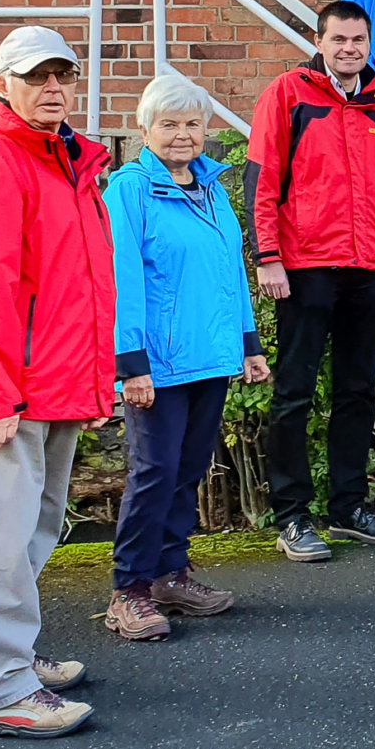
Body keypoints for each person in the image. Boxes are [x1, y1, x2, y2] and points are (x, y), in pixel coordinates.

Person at [0, 26, 114, 738]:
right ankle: (0, 691)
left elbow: (80, 284)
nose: (53, 88)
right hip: (11, 392)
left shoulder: (66, 163)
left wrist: (92, 383)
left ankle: (1, 661)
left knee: (29, 536)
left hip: (55, 384)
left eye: (63, 74)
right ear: (2, 84)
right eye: (36, 77)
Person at [246, 1, 375, 563]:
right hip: (304, 266)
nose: (349, 49)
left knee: (356, 392)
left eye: (358, 40)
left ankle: (348, 508)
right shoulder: (289, 93)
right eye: (339, 39)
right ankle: (293, 516)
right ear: (319, 41)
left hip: (369, 267)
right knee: (294, 393)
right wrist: (267, 255)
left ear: (369, 44)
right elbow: (262, 174)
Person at [103, 74, 269, 643]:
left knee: (188, 470)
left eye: (192, 124)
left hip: (210, 358)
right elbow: (120, 279)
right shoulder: (129, 190)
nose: (182, 135)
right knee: (154, 473)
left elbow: (229, 272)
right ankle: (129, 591)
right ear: (145, 130)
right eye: (169, 124)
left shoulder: (212, 188)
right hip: (158, 362)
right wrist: (131, 362)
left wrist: (247, 345)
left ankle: (170, 575)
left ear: (206, 130)